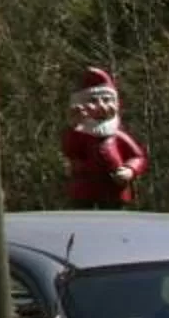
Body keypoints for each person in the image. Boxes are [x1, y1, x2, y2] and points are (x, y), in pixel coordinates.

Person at [63, 66, 151, 210]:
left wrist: (130, 170)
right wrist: (74, 126)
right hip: (84, 189)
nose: (102, 107)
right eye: (93, 101)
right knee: (82, 219)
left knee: (113, 220)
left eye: (107, 100)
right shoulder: (79, 134)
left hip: (114, 190)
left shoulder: (118, 136)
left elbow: (138, 157)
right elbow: (70, 150)